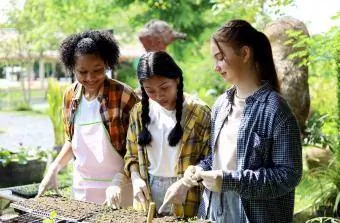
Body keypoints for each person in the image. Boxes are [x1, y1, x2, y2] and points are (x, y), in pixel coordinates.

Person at [182, 20, 302, 223]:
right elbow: (218, 158)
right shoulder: (221, 104)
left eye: (220, 58)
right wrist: (201, 168)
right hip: (214, 210)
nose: (216, 67)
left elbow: (288, 175)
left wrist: (228, 181)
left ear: (245, 53)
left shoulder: (275, 108)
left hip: (255, 214)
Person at [37, 30, 139, 209]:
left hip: (119, 189)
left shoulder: (123, 95)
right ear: (72, 68)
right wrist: (54, 168)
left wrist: (118, 181)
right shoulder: (70, 96)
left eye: (97, 70)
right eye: (82, 72)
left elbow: (139, 148)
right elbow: (72, 141)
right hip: (82, 187)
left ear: (107, 64)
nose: (90, 78)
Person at [122, 51, 211, 217]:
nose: (158, 95)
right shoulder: (139, 112)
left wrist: (186, 183)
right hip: (147, 189)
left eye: (164, 87)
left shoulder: (199, 112)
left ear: (176, 79)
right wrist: (135, 178)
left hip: (187, 190)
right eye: (150, 90)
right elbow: (131, 155)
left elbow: (210, 159)